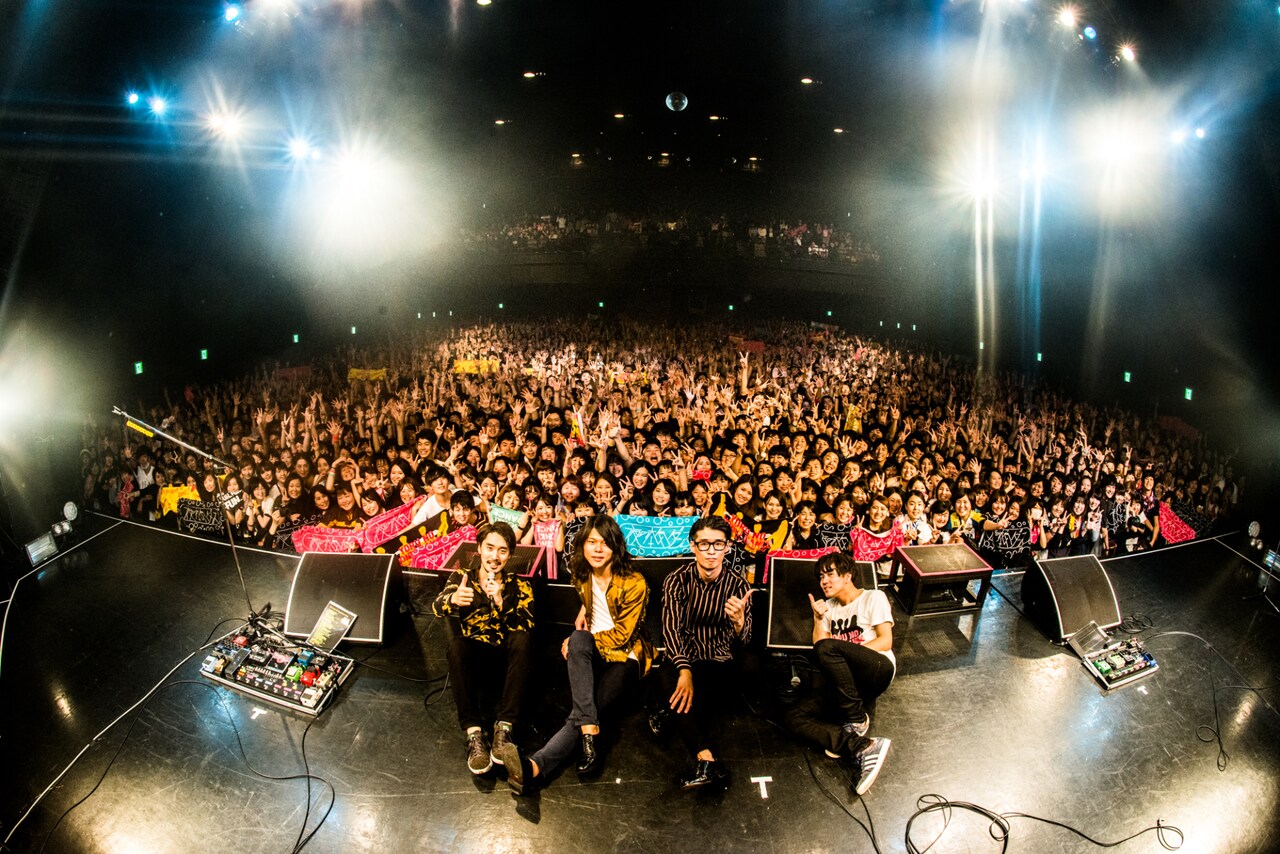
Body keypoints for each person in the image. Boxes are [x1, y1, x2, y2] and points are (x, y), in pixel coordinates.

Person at [501, 515, 653, 793]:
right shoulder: (580, 571)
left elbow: (621, 637)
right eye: (591, 542)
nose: (597, 549)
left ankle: (534, 768)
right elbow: (589, 601)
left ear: (616, 547)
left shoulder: (634, 582)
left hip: (625, 656)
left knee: (584, 708)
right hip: (592, 648)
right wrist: (582, 621)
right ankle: (590, 731)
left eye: (605, 543)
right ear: (582, 544)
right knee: (578, 646)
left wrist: (577, 641)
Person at [648, 515, 753, 790]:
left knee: (690, 699)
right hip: (685, 654)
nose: (711, 552)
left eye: (717, 544)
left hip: (720, 659)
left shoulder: (738, 585)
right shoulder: (676, 580)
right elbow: (670, 629)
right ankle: (706, 760)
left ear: (727, 547)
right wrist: (684, 669)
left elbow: (747, 639)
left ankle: (669, 712)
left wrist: (740, 622)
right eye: (704, 544)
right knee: (671, 681)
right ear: (693, 546)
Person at [784, 551, 893, 796]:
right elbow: (819, 647)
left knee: (829, 647)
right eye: (821, 576)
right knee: (794, 717)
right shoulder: (829, 608)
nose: (824, 581)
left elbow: (885, 641)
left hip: (877, 669)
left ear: (847, 575)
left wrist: (848, 655)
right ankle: (862, 746)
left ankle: (856, 719)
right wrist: (818, 618)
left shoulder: (873, 597)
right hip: (847, 685)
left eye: (830, 574)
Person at [431, 522, 535, 775]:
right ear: (479, 548)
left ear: (509, 555)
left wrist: (500, 601)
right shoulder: (461, 577)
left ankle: (504, 729)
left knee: (522, 639)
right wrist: (452, 599)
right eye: (489, 548)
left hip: (506, 664)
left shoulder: (520, 586)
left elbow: (527, 624)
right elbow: (436, 606)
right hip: (474, 663)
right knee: (456, 646)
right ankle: (474, 734)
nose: (495, 556)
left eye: (502, 551)